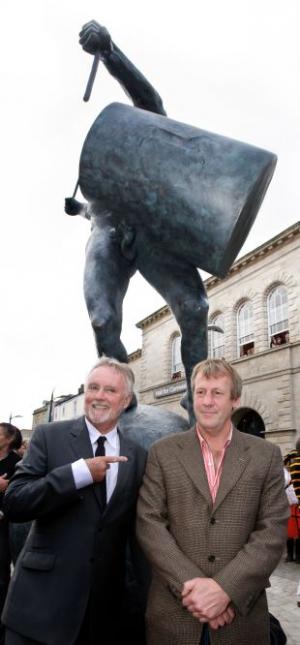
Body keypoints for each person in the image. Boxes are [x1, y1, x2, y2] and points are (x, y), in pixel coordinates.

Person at [65, 20, 209, 423]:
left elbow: (148, 96)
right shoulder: (99, 189)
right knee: (102, 319)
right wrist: (76, 210)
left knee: (195, 306)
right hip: (108, 229)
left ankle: (195, 401)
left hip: (150, 229)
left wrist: (110, 51)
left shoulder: (147, 141)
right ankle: (121, 401)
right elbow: (91, 212)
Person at [136, 358, 289, 645]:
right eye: (201, 392)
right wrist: (196, 592)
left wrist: (225, 591)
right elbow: (149, 524)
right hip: (174, 618)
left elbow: (272, 532)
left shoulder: (265, 455)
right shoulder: (162, 452)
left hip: (240, 619)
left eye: (217, 393)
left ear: (234, 399)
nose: (207, 401)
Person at [2, 357, 147, 645]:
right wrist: (77, 474)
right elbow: (16, 502)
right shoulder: (49, 436)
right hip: (39, 609)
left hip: (102, 617)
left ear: (126, 399)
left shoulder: (138, 455)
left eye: (110, 390)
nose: (99, 396)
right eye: (93, 387)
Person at [0, 423, 22, 645]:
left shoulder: (16, 464)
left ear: (8, 439)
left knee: (2, 575)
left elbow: (19, 496)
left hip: (5, 527)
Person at [283, 439, 300, 563]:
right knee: (289, 533)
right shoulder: (283, 474)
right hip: (288, 507)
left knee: (299, 534)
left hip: (297, 506)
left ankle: (298, 556)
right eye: (290, 461)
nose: (291, 463)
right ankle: (289, 555)